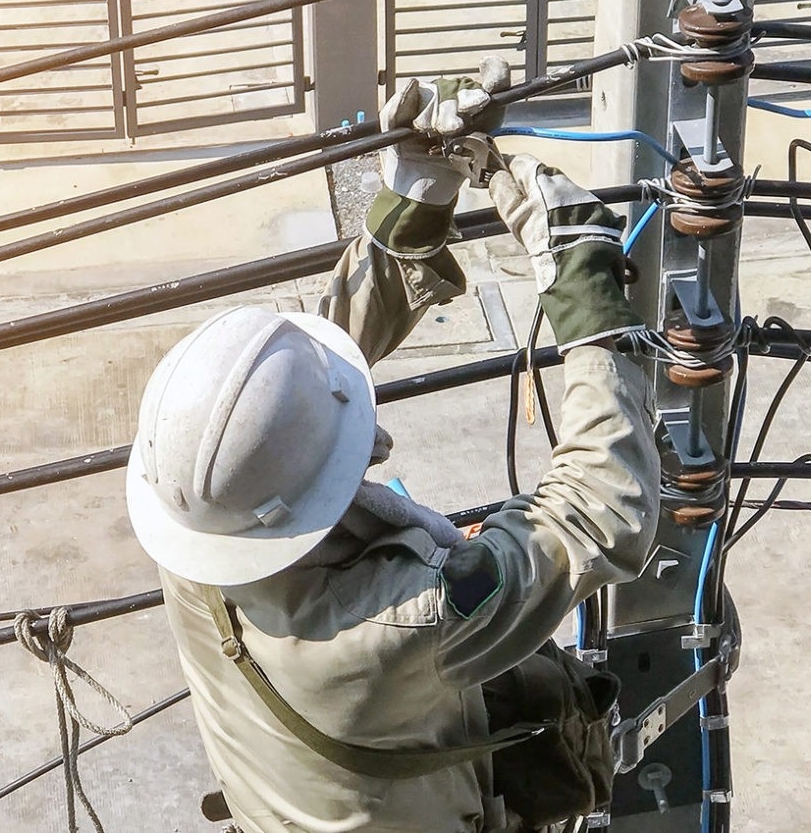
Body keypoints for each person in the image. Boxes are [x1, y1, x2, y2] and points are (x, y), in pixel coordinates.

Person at [124, 59, 661, 833]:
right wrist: (591, 308)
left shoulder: (193, 508)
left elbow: (285, 409)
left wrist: (417, 196)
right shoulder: (390, 629)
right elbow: (603, 513)